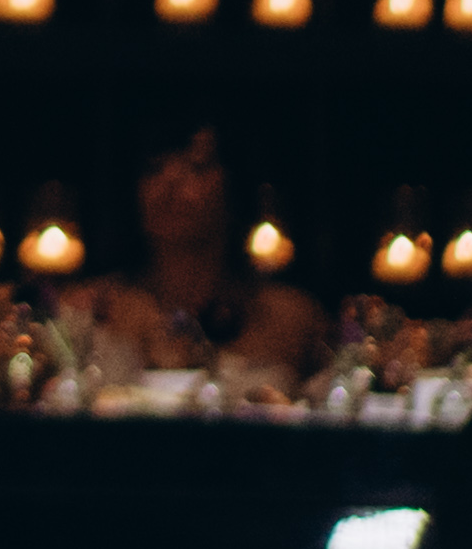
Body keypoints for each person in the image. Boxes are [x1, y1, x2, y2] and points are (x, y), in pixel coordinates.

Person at [61, 124, 327, 388]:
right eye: (154, 168)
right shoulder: (94, 309)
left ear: (235, 188)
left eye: (196, 166)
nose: (170, 180)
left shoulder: (290, 318)